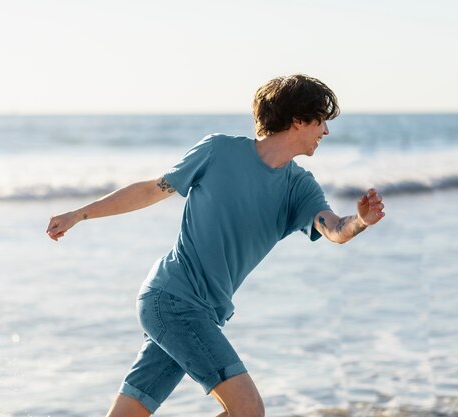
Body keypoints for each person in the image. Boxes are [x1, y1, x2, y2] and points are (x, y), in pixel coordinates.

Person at [46, 74, 385, 417]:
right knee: (248, 410)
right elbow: (151, 189)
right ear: (298, 119)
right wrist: (80, 214)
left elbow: (336, 229)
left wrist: (361, 221)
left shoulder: (299, 187)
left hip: (197, 312)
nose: (325, 132)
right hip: (173, 300)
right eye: (321, 120)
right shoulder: (218, 151)